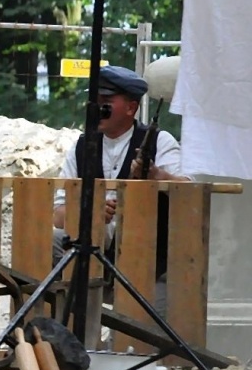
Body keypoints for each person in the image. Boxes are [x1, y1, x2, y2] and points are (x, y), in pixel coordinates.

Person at [51, 64, 187, 241]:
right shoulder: (83, 147)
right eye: (94, 103)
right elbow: (58, 216)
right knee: (48, 243)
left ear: (131, 108)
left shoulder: (159, 141)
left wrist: (157, 175)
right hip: (89, 250)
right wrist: (89, 212)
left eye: (105, 104)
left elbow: (189, 193)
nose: (97, 110)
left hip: (146, 253)